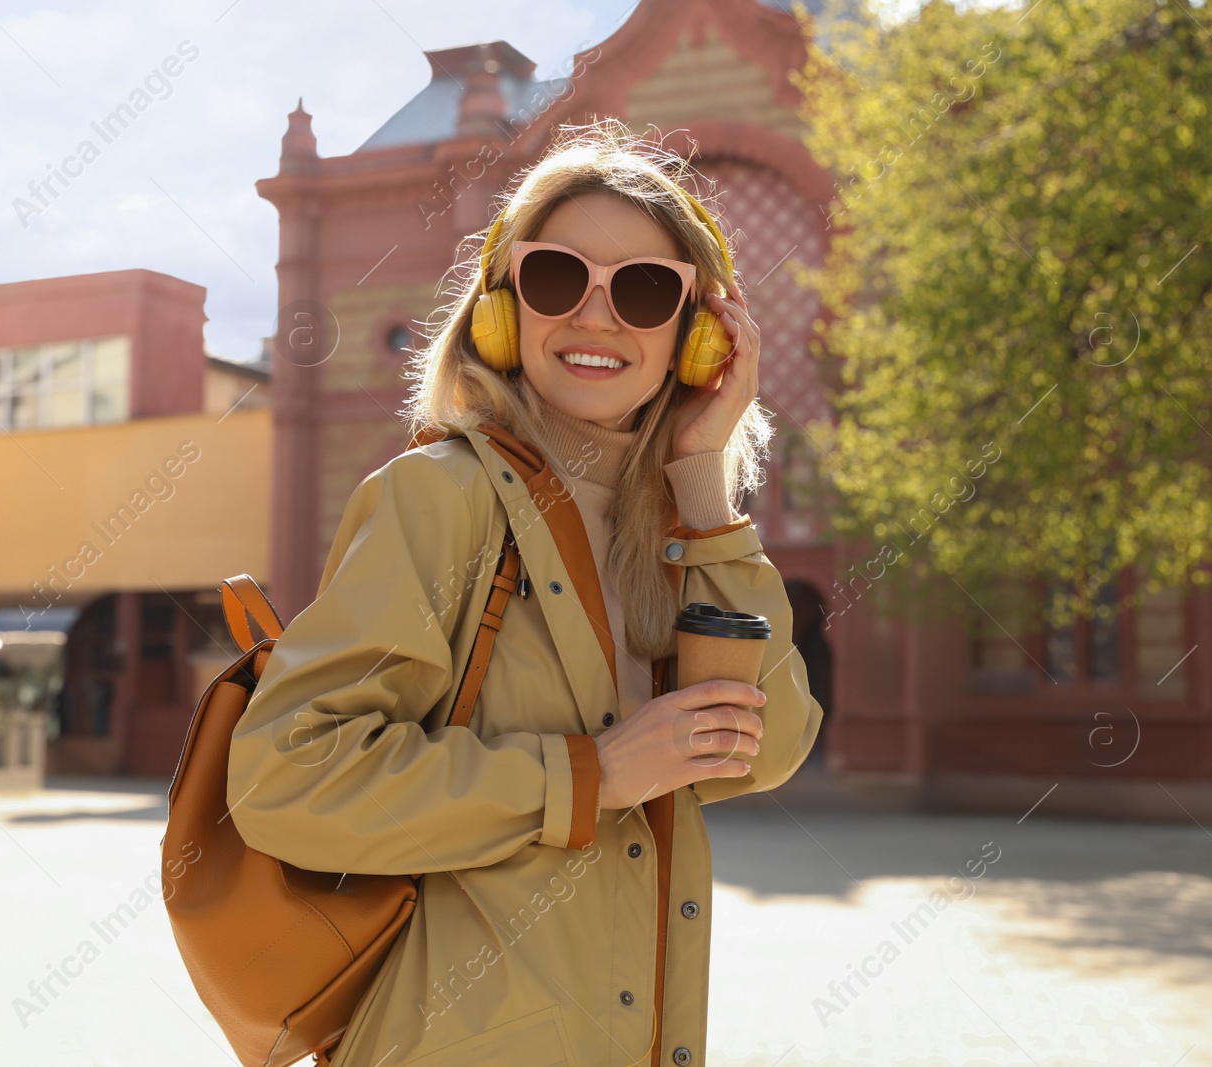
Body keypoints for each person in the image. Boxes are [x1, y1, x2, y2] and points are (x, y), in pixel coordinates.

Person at [226, 119, 824, 1067]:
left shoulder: (673, 524)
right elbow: (286, 774)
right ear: (503, 308)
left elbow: (767, 746)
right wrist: (591, 776)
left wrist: (702, 478)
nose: (596, 317)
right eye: (556, 279)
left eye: (642, 290)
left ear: (697, 333)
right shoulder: (437, 497)